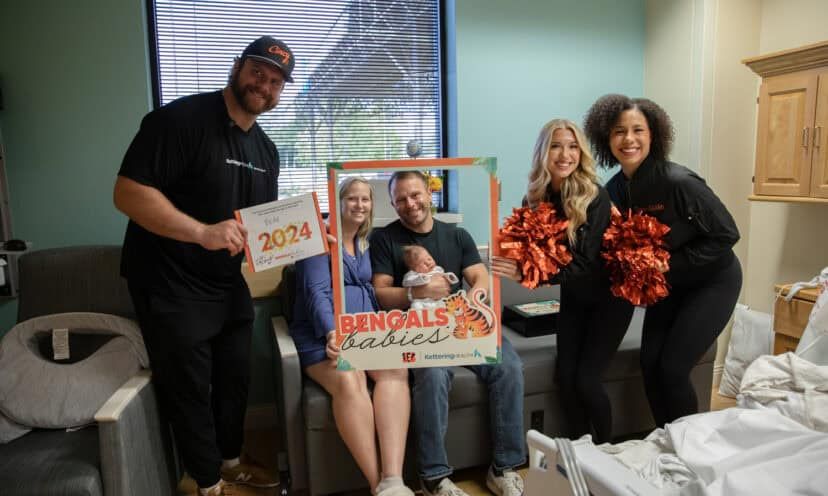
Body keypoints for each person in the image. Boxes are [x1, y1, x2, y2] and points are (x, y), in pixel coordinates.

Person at [114, 36, 294, 496]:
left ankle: (229, 463)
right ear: (237, 67)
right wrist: (201, 232)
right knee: (190, 386)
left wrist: (308, 239)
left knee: (235, 374)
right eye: (258, 72)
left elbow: (260, 229)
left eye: (275, 82)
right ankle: (207, 484)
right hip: (167, 278)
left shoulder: (267, 152)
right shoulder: (178, 121)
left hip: (223, 281)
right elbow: (128, 193)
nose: (265, 86)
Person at [584, 94, 742, 427]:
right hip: (666, 289)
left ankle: (691, 447)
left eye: (638, 130)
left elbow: (727, 234)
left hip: (713, 282)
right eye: (618, 131)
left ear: (653, 135)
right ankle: (665, 441)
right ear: (605, 139)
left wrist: (666, 265)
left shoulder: (679, 182)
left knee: (672, 367)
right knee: (649, 363)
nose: (629, 139)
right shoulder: (613, 190)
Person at [370, 171, 525, 496]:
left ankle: (503, 468)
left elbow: (479, 276)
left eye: (415, 195)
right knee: (432, 374)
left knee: (508, 365)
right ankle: (434, 478)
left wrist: (476, 296)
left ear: (429, 193)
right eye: (400, 199)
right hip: (420, 332)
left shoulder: (457, 236)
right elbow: (381, 293)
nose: (409, 204)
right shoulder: (385, 239)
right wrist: (419, 293)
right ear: (394, 204)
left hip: (462, 323)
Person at [491, 119, 635, 444]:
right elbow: (530, 251)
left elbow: (584, 264)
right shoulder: (536, 197)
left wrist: (526, 275)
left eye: (572, 146)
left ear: (580, 153)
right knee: (566, 378)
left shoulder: (594, 196)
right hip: (574, 299)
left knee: (586, 380)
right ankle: (579, 451)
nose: (565, 154)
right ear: (544, 151)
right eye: (556, 145)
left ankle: (604, 452)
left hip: (610, 299)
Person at [288, 177, 414, 496]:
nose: (359, 204)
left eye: (366, 199)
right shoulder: (318, 241)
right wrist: (332, 331)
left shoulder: (366, 243)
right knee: (350, 377)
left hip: (365, 332)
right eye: (352, 198)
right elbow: (316, 292)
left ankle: (393, 478)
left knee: (396, 370)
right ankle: (377, 486)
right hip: (323, 335)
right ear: (339, 202)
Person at [401, 245, 460, 310]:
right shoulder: (413, 274)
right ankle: (419, 317)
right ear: (414, 268)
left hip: (439, 299)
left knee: (446, 306)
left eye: (429, 259)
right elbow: (407, 282)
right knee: (416, 305)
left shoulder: (437, 269)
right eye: (424, 263)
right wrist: (421, 278)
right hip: (422, 301)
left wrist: (450, 277)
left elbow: (444, 276)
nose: (428, 263)